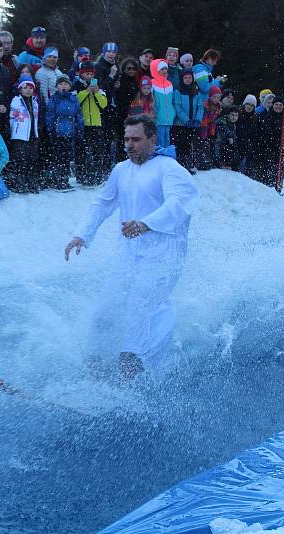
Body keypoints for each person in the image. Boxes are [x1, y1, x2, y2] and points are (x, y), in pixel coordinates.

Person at [64, 115, 198, 380]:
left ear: (152, 139)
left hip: (163, 256)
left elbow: (180, 204)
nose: (129, 145)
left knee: (140, 306)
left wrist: (147, 224)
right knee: (105, 310)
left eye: (136, 139)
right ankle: (95, 370)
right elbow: (102, 204)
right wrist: (82, 234)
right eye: (126, 139)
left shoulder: (169, 169)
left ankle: (134, 375)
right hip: (129, 254)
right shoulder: (121, 170)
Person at [73, 60, 109, 185]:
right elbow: (75, 101)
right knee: (82, 151)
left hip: (96, 123)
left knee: (97, 150)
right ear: (81, 74)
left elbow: (104, 104)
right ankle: (82, 176)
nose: (89, 76)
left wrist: (96, 92)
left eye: (91, 74)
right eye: (86, 73)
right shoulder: (77, 85)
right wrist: (86, 92)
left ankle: (96, 175)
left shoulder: (98, 86)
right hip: (82, 124)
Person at [45, 75, 83, 188]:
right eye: (61, 84)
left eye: (66, 84)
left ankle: (65, 179)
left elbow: (78, 114)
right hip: (58, 131)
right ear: (57, 87)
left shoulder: (73, 98)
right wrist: (50, 128)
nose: (63, 86)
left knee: (67, 157)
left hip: (70, 131)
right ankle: (58, 180)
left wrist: (80, 128)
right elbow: (50, 114)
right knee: (58, 157)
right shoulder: (54, 99)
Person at [7, 75, 40, 193]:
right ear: (20, 89)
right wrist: (13, 132)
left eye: (31, 88)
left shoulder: (35, 103)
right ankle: (19, 183)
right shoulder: (16, 101)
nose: (28, 90)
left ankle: (32, 183)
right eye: (25, 87)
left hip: (32, 136)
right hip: (20, 136)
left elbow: (35, 119)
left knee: (32, 160)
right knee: (20, 160)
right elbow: (11, 118)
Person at [172, 68, 203, 173]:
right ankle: (179, 166)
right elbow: (178, 107)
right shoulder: (178, 91)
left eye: (190, 77)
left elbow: (200, 107)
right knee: (180, 145)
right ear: (182, 79)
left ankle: (187, 166)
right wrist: (186, 120)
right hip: (181, 124)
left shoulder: (196, 91)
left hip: (193, 124)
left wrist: (198, 119)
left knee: (188, 146)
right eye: (185, 78)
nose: (188, 79)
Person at [253, 95, 284, 187]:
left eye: (280, 105)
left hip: (278, 153)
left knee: (275, 177)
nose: (278, 106)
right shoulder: (264, 116)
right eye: (276, 104)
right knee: (263, 177)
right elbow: (257, 134)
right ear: (272, 105)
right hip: (264, 151)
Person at [150, 59, 175, 147]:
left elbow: (171, 101)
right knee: (159, 142)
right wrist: (154, 113)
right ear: (156, 70)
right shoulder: (152, 83)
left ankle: (166, 159)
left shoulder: (169, 84)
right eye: (162, 69)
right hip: (158, 118)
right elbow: (150, 100)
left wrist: (172, 113)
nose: (164, 71)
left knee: (167, 141)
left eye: (165, 68)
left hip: (168, 119)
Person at [214, 105, 240, 170]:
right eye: (232, 115)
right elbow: (217, 143)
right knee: (228, 149)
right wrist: (219, 162)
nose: (234, 117)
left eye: (236, 115)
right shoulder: (222, 124)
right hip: (219, 150)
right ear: (228, 115)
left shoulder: (233, 125)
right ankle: (222, 163)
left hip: (225, 149)